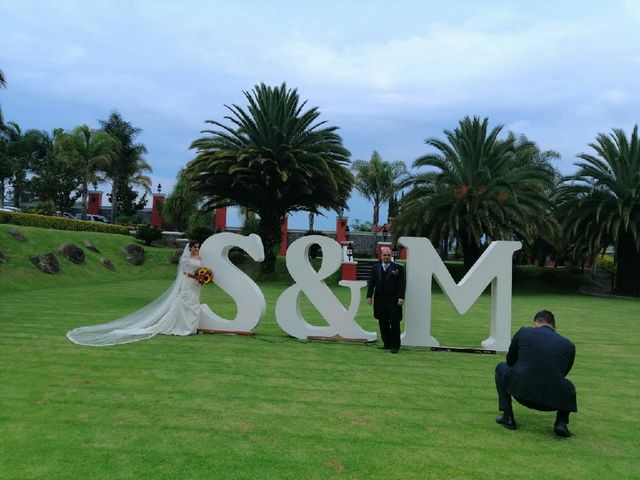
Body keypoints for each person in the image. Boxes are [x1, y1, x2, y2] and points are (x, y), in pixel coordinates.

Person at [67, 240, 211, 346]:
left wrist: (203, 277)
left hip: (196, 286)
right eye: (195, 247)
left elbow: (201, 269)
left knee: (193, 303)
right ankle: (182, 327)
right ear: (190, 248)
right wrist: (196, 277)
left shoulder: (199, 258)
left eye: (198, 247)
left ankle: (190, 327)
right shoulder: (186, 258)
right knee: (186, 303)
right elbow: (185, 272)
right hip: (188, 283)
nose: (196, 249)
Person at [494, 310, 577, 437]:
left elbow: (510, 361)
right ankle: (561, 423)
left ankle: (508, 417)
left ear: (535, 323)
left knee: (501, 368)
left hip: (520, 393)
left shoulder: (523, 332)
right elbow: (563, 372)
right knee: (568, 386)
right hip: (553, 401)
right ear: (554, 327)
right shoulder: (569, 346)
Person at [366, 247, 405, 353]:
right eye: (385, 255)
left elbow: (402, 284)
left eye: (388, 255)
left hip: (393, 300)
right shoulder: (375, 268)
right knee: (382, 323)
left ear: (391, 256)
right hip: (379, 300)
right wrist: (369, 296)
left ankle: (395, 346)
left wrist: (401, 297)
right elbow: (371, 283)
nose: (386, 257)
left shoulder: (398, 268)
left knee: (395, 323)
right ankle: (386, 343)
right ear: (381, 256)